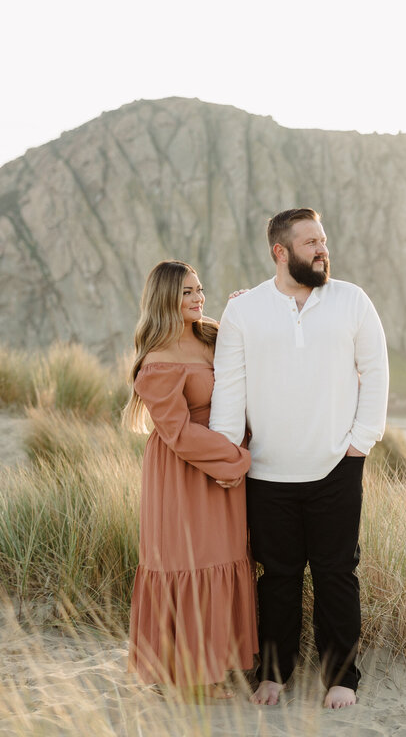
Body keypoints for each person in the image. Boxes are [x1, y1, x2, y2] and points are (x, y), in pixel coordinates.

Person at [209, 208, 389, 709]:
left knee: (336, 574)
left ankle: (341, 677)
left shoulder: (352, 301)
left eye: (324, 239)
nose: (322, 249)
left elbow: (375, 372)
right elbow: (229, 389)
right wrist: (227, 458)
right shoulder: (244, 312)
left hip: (337, 466)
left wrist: (360, 443)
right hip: (267, 472)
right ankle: (273, 673)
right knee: (278, 577)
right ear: (280, 252)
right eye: (310, 242)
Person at [125, 260, 257, 700]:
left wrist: (246, 309)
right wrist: (235, 461)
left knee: (224, 557)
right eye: (186, 292)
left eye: (200, 289)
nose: (198, 298)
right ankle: (189, 677)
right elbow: (178, 434)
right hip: (184, 472)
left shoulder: (212, 335)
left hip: (222, 464)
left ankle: (216, 666)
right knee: (190, 563)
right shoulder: (158, 362)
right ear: (165, 299)